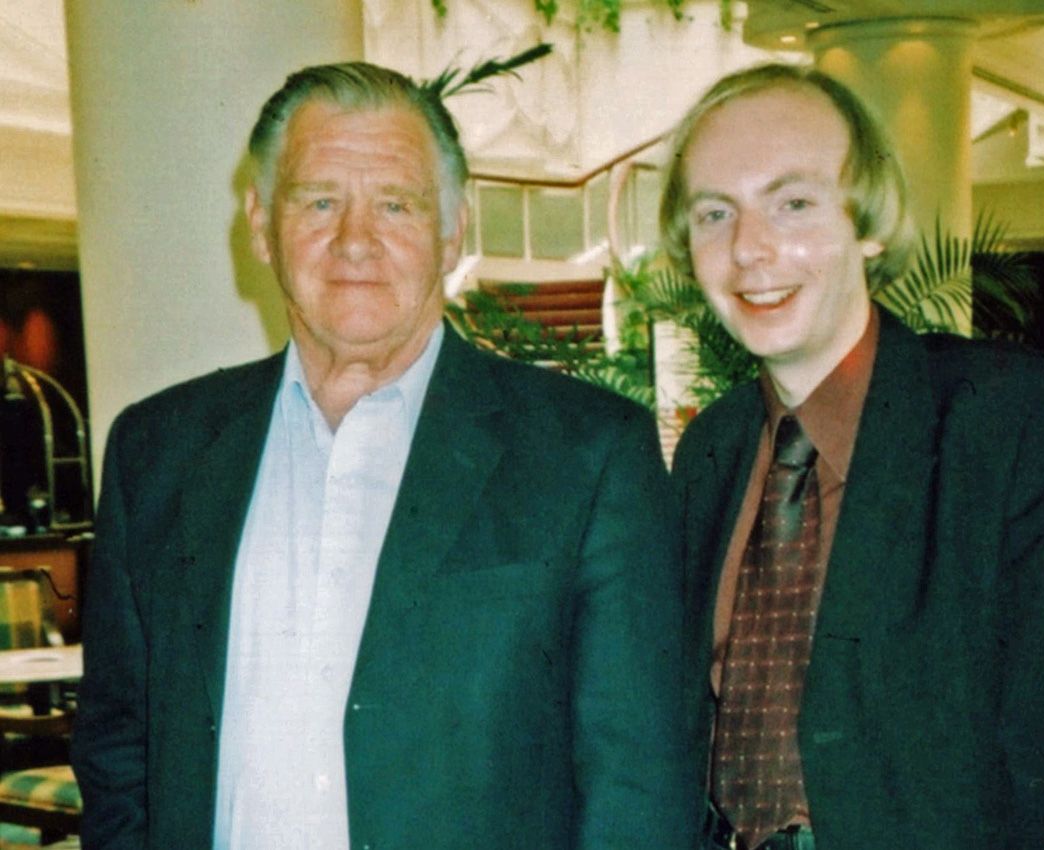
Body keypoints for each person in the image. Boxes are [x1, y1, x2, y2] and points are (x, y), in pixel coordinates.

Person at [71, 61, 692, 850]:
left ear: (451, 228)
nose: (353, 241)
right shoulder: (157, 451)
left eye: (395, 204)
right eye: (319, 200)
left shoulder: (589, 455)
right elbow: (119, 747)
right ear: (261, 223)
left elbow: (637, 787)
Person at [662, 63, 1044, 850]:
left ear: (868, 221)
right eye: (715, 213)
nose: (751, 249)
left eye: (793, 203)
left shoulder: (1021, 428)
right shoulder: (710, 452)